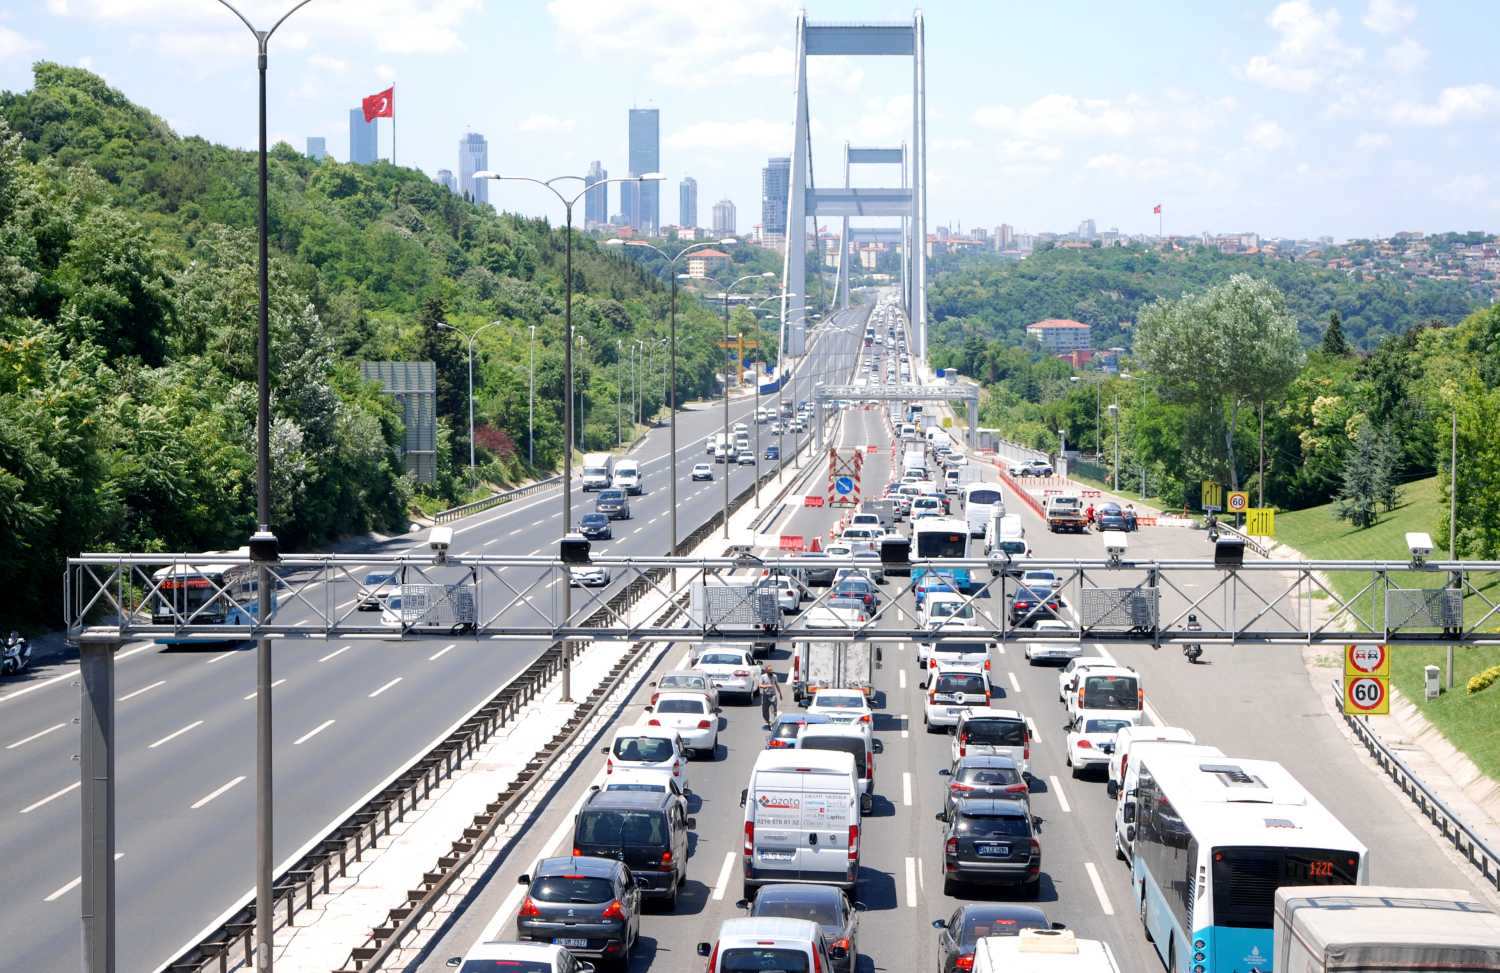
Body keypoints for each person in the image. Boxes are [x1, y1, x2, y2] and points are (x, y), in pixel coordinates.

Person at [757, 663, 782, 727]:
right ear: (766, 671)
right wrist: (767, 686)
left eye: (772, 671)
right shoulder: (763, 677)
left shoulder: (775, 676)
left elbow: (777, 685)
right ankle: (767, 720)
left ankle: (774, 722)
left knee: (774, 709)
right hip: (766, 695)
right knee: (765, 711)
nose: (771, 672)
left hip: (773, 695)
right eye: (769, 671)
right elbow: (760, 685)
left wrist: (780, 694)